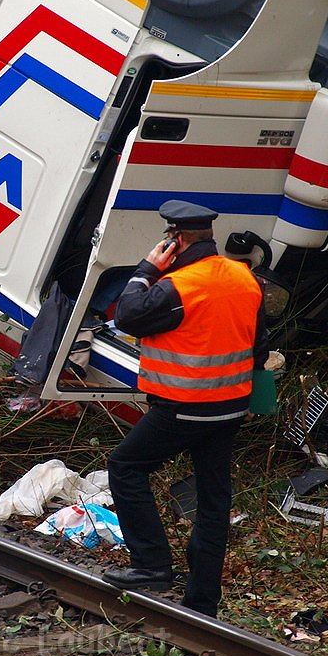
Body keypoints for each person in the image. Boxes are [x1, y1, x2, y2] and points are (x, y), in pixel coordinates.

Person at [102, 200, 267, 618]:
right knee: (214, 500)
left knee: (125, 467)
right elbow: (258, 345)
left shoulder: (179, 286)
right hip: (229, 408)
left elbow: (128, 316)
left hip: (183, 406)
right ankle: (202, 601)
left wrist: (146, 270)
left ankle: (152, 564)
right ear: (209, 238)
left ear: (174, 241)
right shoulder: (244, 277)